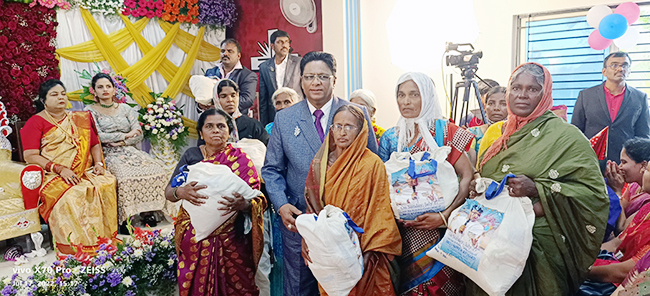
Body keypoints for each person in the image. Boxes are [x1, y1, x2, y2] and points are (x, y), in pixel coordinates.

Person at [468, 63, 610, 296]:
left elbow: (593, 194)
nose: (522, 95)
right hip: (492, 241)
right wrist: (478, 186)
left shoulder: (566, 136)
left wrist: (537, 188)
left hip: (539, 244)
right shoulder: (498, 134)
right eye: (516, 88)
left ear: (545, 95)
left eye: (532, 89)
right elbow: (486, 175)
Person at [262, 51, 377, 296]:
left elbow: (373, 166)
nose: (316, 83)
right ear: (301, 80)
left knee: (347, 287)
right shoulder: (284, 119)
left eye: (323, 76)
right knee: (300, 287)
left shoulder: (356, 113)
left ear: (334, 80)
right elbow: (271, 169)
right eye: (310, 76)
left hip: (348, 223)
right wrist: (281, 205)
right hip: (300, 220)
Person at [378, 72, 475, 296]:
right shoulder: (391, 137)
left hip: (442, 232)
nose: (406, 101)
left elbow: (467, 177)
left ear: (428, 97)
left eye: (414, 94)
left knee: (441, 287)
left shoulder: (446, 132)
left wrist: (444, 216)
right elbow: (383, 182)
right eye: (401, 95)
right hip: (402, 233)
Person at [302, 105, 402, 295]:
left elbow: (380, 210)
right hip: (329, 250)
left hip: (366, 251)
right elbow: (313, 206)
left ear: (361, 130)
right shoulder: (319, 164)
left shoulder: (372, 164)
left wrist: (369, 251)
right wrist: (309, 237)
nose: (342, 132)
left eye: (349, 127)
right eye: (338, 126)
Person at [165, 108, 266, 296]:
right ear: (201, 133)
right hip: (194, 239)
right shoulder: (191, 156)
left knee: (240, 287)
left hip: (232, 239)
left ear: (229, 131)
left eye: (221, 126)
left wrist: (243, 204)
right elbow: (169, 192)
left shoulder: (241, 159)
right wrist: (181, 191)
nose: (216, 130)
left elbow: (258, 198)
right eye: (209, 126)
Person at [21, 79, 117, 256]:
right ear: (43, 100)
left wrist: (98, 164)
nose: (60, 98)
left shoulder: (79, 118)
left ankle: (103, 240)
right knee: (73, 194)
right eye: (54, 94)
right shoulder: (35, 122)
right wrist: (58, 169)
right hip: (53, 173)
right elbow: (30, 155)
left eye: (63, 94)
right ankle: (77, 247)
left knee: (106, 181)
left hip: (84, 170)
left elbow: (95, 144)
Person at [84, 73, 171, 229]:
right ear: (94, 91)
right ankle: (125, 217)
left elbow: (138, 133)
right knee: (124, 176)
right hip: (106, 153)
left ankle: (148, 212)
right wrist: (124, 135)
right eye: (100, 87)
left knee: (158, 169)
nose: (105, 90)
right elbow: (97, 136)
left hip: (130, 150)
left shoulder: (125, 108)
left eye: (108, 86)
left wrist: (122, 141)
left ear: (114, 89)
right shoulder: (89, 111)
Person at [572, 52, 650, 166]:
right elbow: (576, 130)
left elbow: (643, 135)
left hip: (625, 163)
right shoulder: (586, 95)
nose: (620, 68)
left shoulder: (640, 98)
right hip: (590, 160)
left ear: (629, 71)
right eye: (614, 65)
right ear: (604, 71)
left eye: (625, 65)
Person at [588, 161, 650, 285]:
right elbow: (617, 242)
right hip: (614, 263)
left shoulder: (645, 200)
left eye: (647, 169)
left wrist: (580, 270)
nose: (643, 171)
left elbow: (627, 272)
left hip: (624, 284)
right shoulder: (647, 207)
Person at [259, 30, 303, 126]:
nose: (284, 45)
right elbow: (263, 100)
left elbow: (306, 91)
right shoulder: (264, 67)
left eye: (286, 42)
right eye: (280, 42)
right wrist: (264, 125)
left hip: (297, 114)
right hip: (275, 117)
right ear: (272, 46)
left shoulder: (299, 63)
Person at [605, 138, 650, 228]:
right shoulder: (634, 186)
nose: (619, 167)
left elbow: (622, 229)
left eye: (623, 162)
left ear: (643, 165)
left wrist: (617, 192)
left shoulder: (648, 196)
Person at [205, 38, 258, 115]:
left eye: (230, 51)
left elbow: (247, 100)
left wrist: (220, 106)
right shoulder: (210, 72)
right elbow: (203, 94)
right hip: (213, 118)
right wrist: (201, 104)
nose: (225, 54)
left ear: (238, 55)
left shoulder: (247, 75)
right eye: (223, 51)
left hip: (236, 121)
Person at [213, 79, 269, 145]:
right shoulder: (210, 125)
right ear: (216, 99)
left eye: (233, 95)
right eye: (224, 96)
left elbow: (267, 149)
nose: (230, 100)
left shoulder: (252, 125)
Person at [467, 86, 507, 165]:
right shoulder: (473, 133)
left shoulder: (516, 133)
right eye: (491, 103)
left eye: (503, 104)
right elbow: (469, 165)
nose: (496, 108)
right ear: (484, 108)